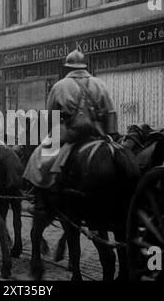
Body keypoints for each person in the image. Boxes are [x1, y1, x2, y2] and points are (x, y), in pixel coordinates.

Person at [23, 49, 118, 215]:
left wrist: (52, 136)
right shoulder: (99, 83)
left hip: (71, 134)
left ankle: (40, 202)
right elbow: (111, 112)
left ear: (67, 68)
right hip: (98, 134)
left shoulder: (59, 86)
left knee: (39, 156)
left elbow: (51, 117)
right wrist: (111, 135)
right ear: (84, 67)